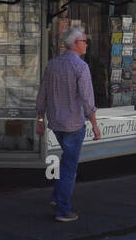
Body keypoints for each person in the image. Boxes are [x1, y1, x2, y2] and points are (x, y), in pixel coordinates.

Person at [35, 27, 101, 221]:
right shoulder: (81, 67)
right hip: (73, 124)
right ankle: (63, 210)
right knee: (70, 167)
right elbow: (88, 101)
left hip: (56, 123)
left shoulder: (53, 64)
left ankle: (57, 197)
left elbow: (42, 96)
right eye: (84, 41)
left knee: (65, 162)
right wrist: (95, 125)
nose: (87, 44)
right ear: (75, 44)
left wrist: (40, 120)